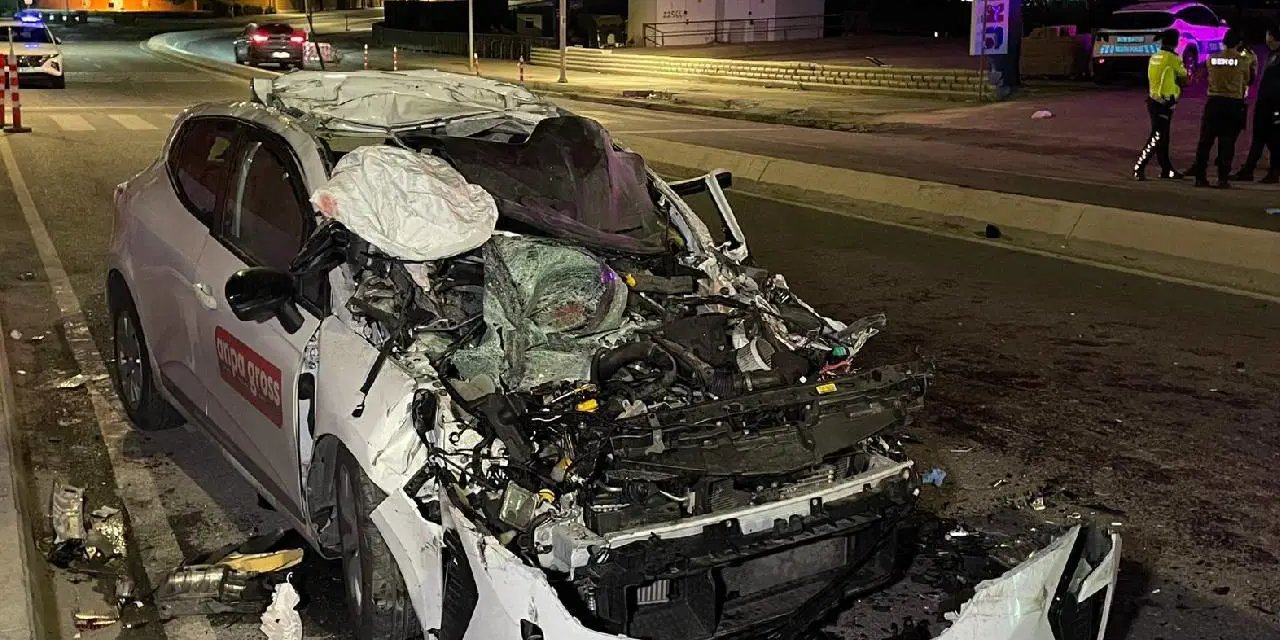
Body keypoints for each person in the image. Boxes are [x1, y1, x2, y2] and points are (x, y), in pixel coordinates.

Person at [1187, 29, 1257, 188]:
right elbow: (1249, 80)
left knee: (1205, 141)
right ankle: (1222, 178)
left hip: (1214, 102)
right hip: (1233, 103)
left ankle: (1200, 177)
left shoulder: (1212, 58)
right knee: (1227, 142)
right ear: (1239, 43)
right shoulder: (1244, 61)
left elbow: (1202, 75)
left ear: (1224, 42)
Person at [1134, 29, 1189, 181]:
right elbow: (1184, 78)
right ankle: (1139, 167)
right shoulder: (1173, 59)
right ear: (1175, 42)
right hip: (1165, 103)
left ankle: (1166, 170)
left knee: (1163, 137)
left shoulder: (1155, 56)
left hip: (1153, 100)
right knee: (1157, 137)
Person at [1233, 24, 1280, 183]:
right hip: (1263, 103)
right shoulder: (1271, 55)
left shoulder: (1276, 56)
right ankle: (1248, 170)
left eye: (1267, 34)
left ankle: (1274, 172)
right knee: (1259, 137)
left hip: (1275, 105)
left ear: (1272, 36)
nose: (1266, 38)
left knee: (1274, 139)